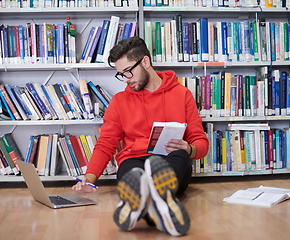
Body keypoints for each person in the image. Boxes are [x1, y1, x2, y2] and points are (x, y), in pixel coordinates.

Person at [72, 36, 209, 236]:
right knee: (132, 172)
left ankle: (141, 205)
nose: (126, 79)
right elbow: (106, 144)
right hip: (135, 160)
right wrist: (89, 178)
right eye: (121, 74)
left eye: (128, 71)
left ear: (145, 61)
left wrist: (190, 148)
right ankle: (158, 208)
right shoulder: (119, 102)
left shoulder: (182, 94)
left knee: (179, 156)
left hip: (171, 160)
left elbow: (200, 142)